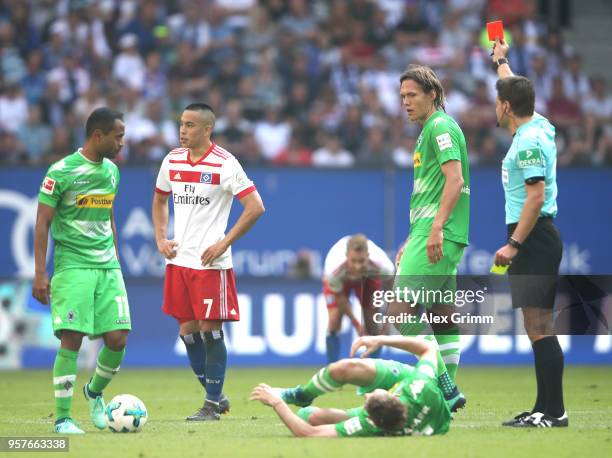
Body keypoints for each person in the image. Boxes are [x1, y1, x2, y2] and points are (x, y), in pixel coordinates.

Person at [152, 103, 265, 421]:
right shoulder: (172, 160)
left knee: (210, 332)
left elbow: (255, 206)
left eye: (189, 125)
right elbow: (160, 198)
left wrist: (224, 242)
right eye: (181, 124)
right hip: (178, 261)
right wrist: (161, 237)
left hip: (210, 263)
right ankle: (217, 396)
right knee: (188, 334)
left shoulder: (225, 163)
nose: (182, 131)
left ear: (206, 129)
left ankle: (212, 404)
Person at [32, 107, 129, 434]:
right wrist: (40, 273)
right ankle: (62, 419)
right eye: (117, 137)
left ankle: (94, 393)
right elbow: (42, 222)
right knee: (72, 339)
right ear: (97, 136)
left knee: (118, 339)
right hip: (73, 266)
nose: (121, 144)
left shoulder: (112, 172)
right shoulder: (61, 172)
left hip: (108, 267)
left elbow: (109, 217)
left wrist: (116, 257)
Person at [491, 38, 567, 428]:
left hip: (533, 237)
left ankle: (554, 412)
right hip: (534, 237)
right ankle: (545, 407)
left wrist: (514, 244)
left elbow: (535, 198)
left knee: (540, 325)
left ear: (505, 107)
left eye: (497, 98)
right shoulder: (538, 123)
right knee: (535, 325)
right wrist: (501, 60)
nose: (496, 103)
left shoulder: (527, 143)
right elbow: (516, 88)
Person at [390, 64, 470, 405]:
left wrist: (435, 228)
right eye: (402, 96)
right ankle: (446, 392)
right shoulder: (429, 130)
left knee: (397, 310)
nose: (405, 102)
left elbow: (456, 181)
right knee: (442, 314)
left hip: (438, 232)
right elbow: (433, 191)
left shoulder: (440, 127)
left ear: (432, 94)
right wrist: (413, 237)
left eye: (412, 95)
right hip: (433, 232)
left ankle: (444, 387)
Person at [250, 335, 452, 437]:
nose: (365, 395)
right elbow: (428, 348)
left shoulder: (370, 426)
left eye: (367, 401)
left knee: (310, 417)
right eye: (372, 396)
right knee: (344, 369)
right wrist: (379, 339)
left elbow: (308, 433)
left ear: (372, 420)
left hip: (408, 408)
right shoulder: (420, 386)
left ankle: (303, 402)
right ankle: (302, 394)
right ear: (396, 396)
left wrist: (277, 403)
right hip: (425, 397)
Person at [322, 234, 394, 363]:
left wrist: (388, 322)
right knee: (334, 319)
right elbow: (341, 300)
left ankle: (373, 372)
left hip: (368, 279)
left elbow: (392, 293)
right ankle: (331, 370)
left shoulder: (384, 267)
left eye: (361, 261)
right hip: (342, 281)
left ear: (368, 256)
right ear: (346, 257)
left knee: (374, 324)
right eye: (353, 261)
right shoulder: (333, 269)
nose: (357, 266)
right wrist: (357, 325)